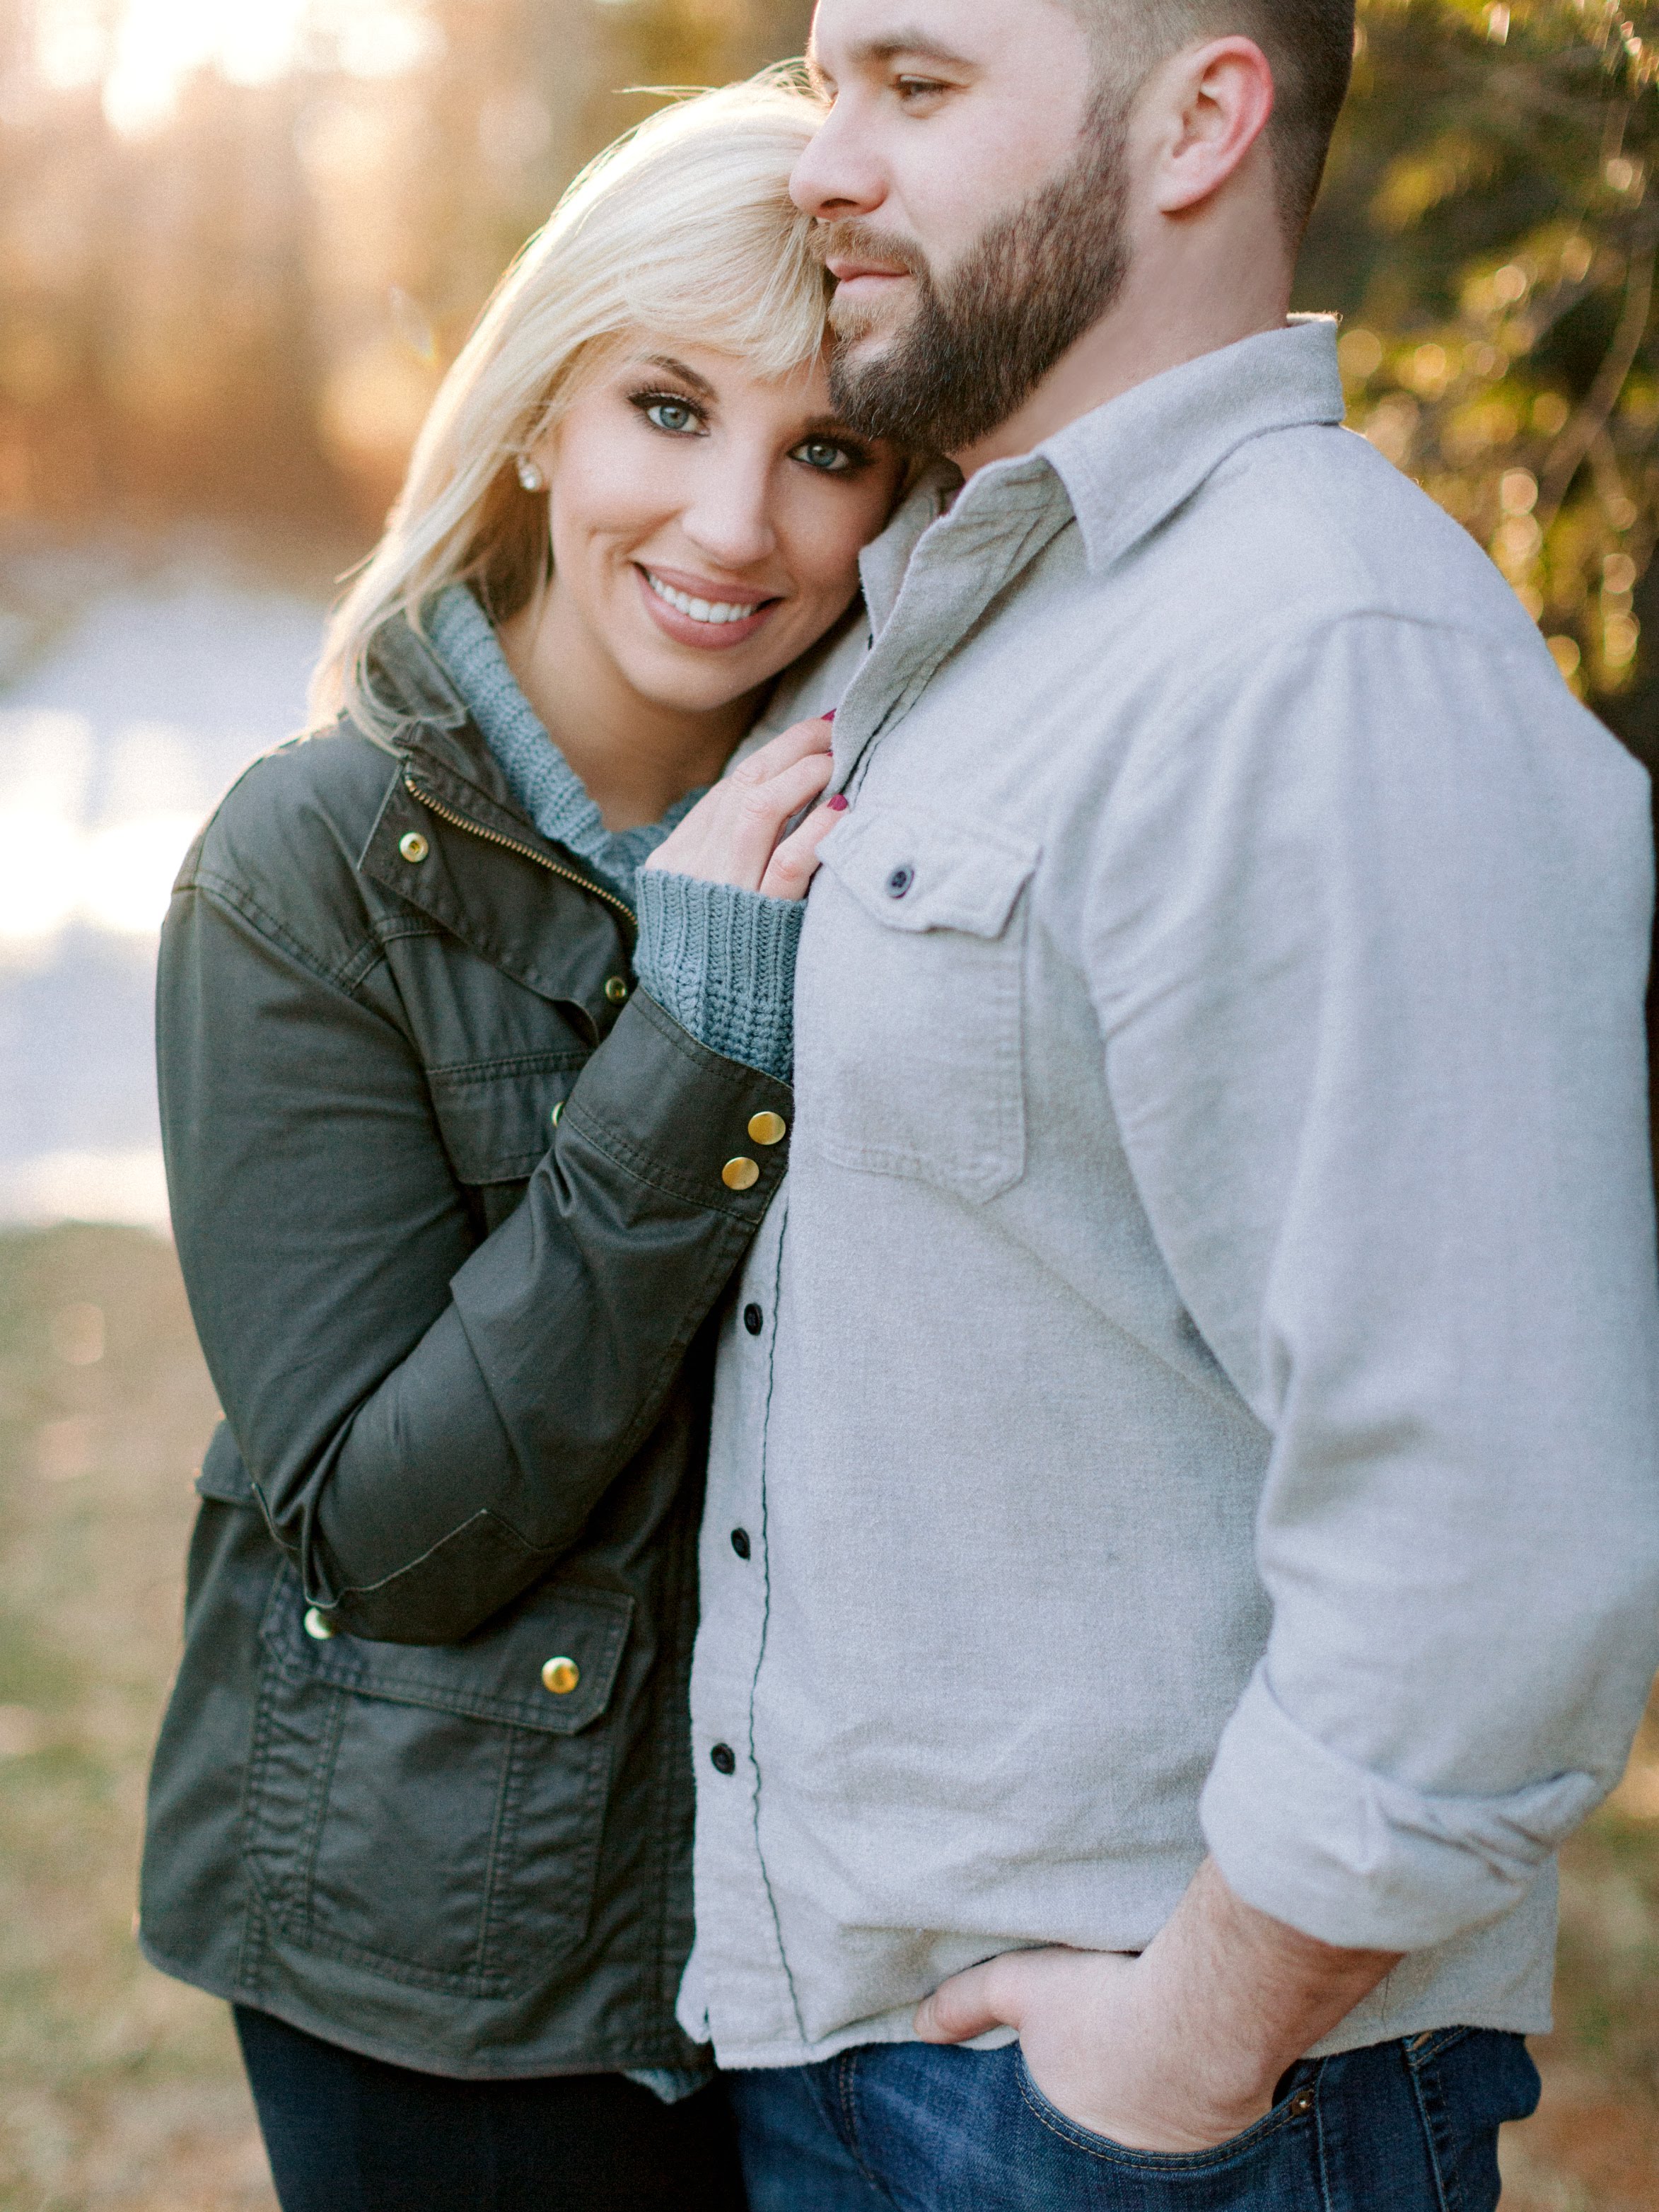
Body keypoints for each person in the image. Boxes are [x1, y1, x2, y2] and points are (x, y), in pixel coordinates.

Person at [665, 5, 1659, 2206]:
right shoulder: (964, 615)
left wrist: (1184, 2051)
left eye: (916, 87)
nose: (821, 165)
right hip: (859, 2060)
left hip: (1159, 2112)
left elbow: (1496, 1535)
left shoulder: (1321, 655)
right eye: (828, 89)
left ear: (1198, 119)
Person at [136, 78, 902, 2212]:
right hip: (443, 1962)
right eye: (669, 407)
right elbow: (386, 1539)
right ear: (544, 416)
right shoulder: (304, 871)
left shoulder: (916, 831)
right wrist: (696, 1033)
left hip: (824, 1941)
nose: (735, 526)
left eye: (828, 448)